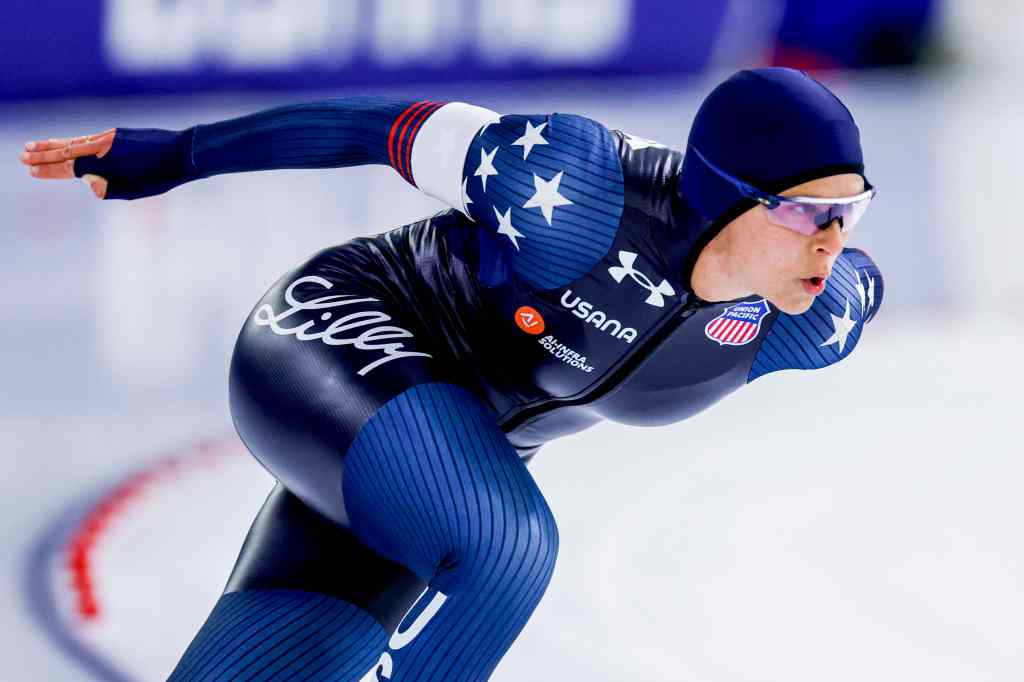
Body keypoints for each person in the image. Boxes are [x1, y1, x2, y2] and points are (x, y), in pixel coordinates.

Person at [19, 68, 883, 681]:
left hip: (433, 459)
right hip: (337, 336)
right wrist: (175, 155)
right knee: (509, 548)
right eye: (808, 210)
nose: (831, 240)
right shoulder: (574, 185)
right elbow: (375, 128)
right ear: (723, 192)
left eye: (851, 211)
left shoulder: (815, 320)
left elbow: (862, 282)